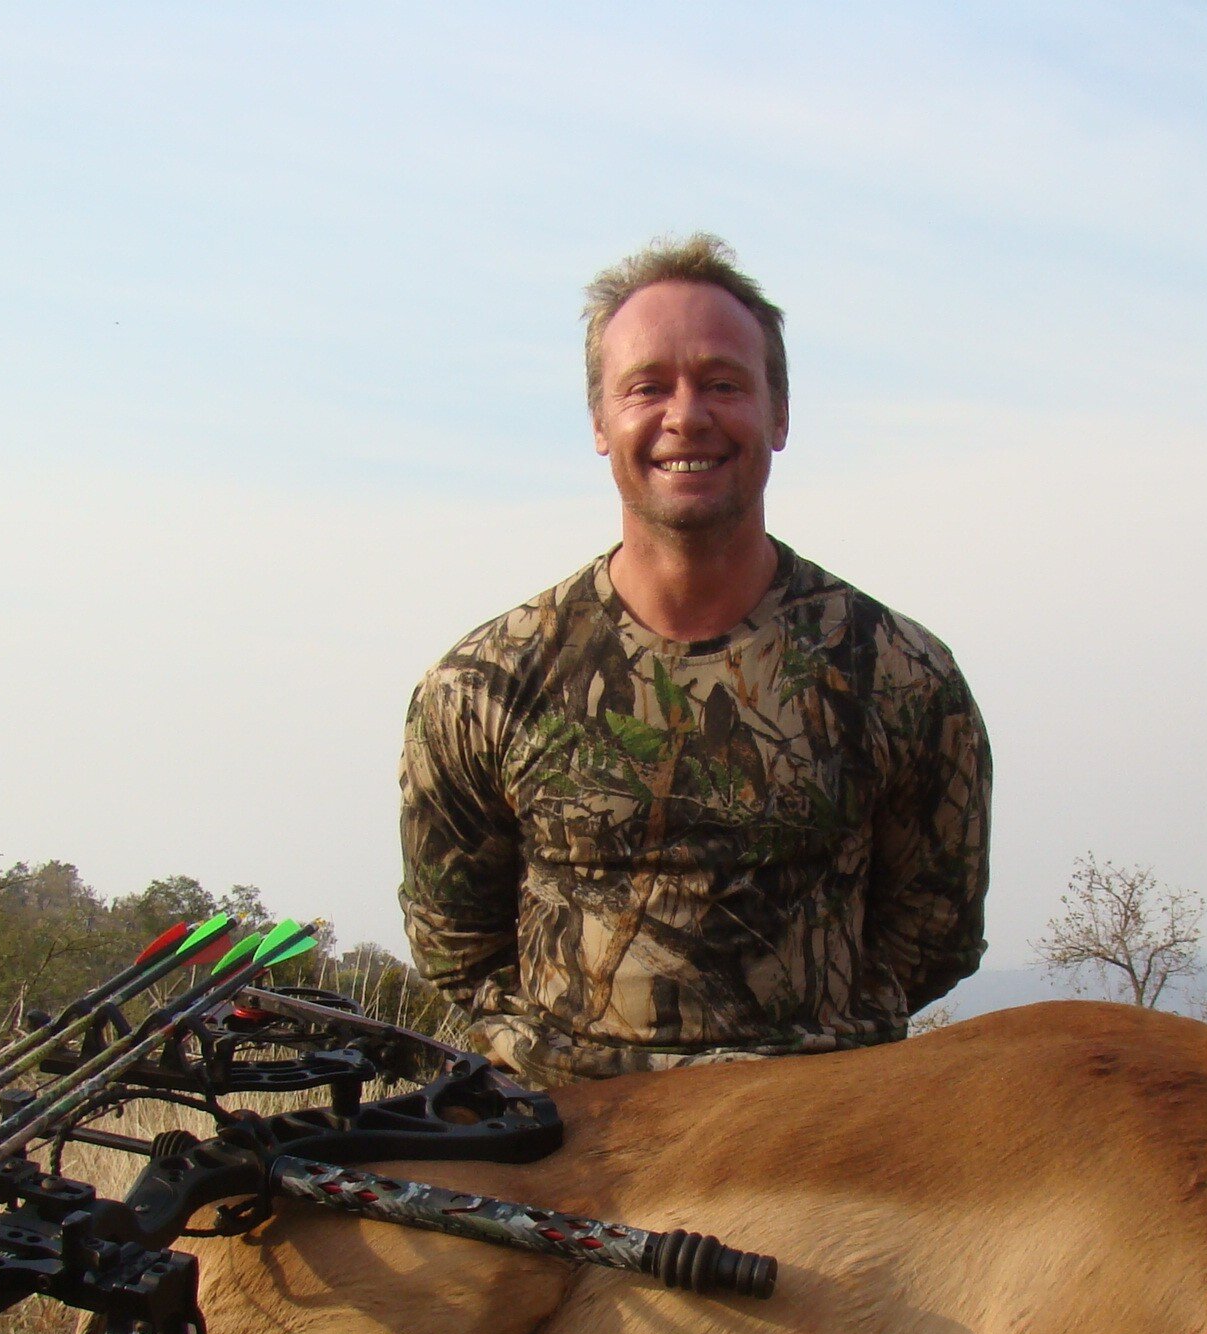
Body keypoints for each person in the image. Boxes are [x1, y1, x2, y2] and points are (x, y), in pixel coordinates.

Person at [400, 235, 991, 1086]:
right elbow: (454, 945)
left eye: (723, 383)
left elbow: (933, 935)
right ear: (601, 423)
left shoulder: (899, 676)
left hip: (830, 1140)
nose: (687, 416)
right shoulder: (481, 686)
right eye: (648, 387)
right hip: (572, 1148)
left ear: (778, 415)